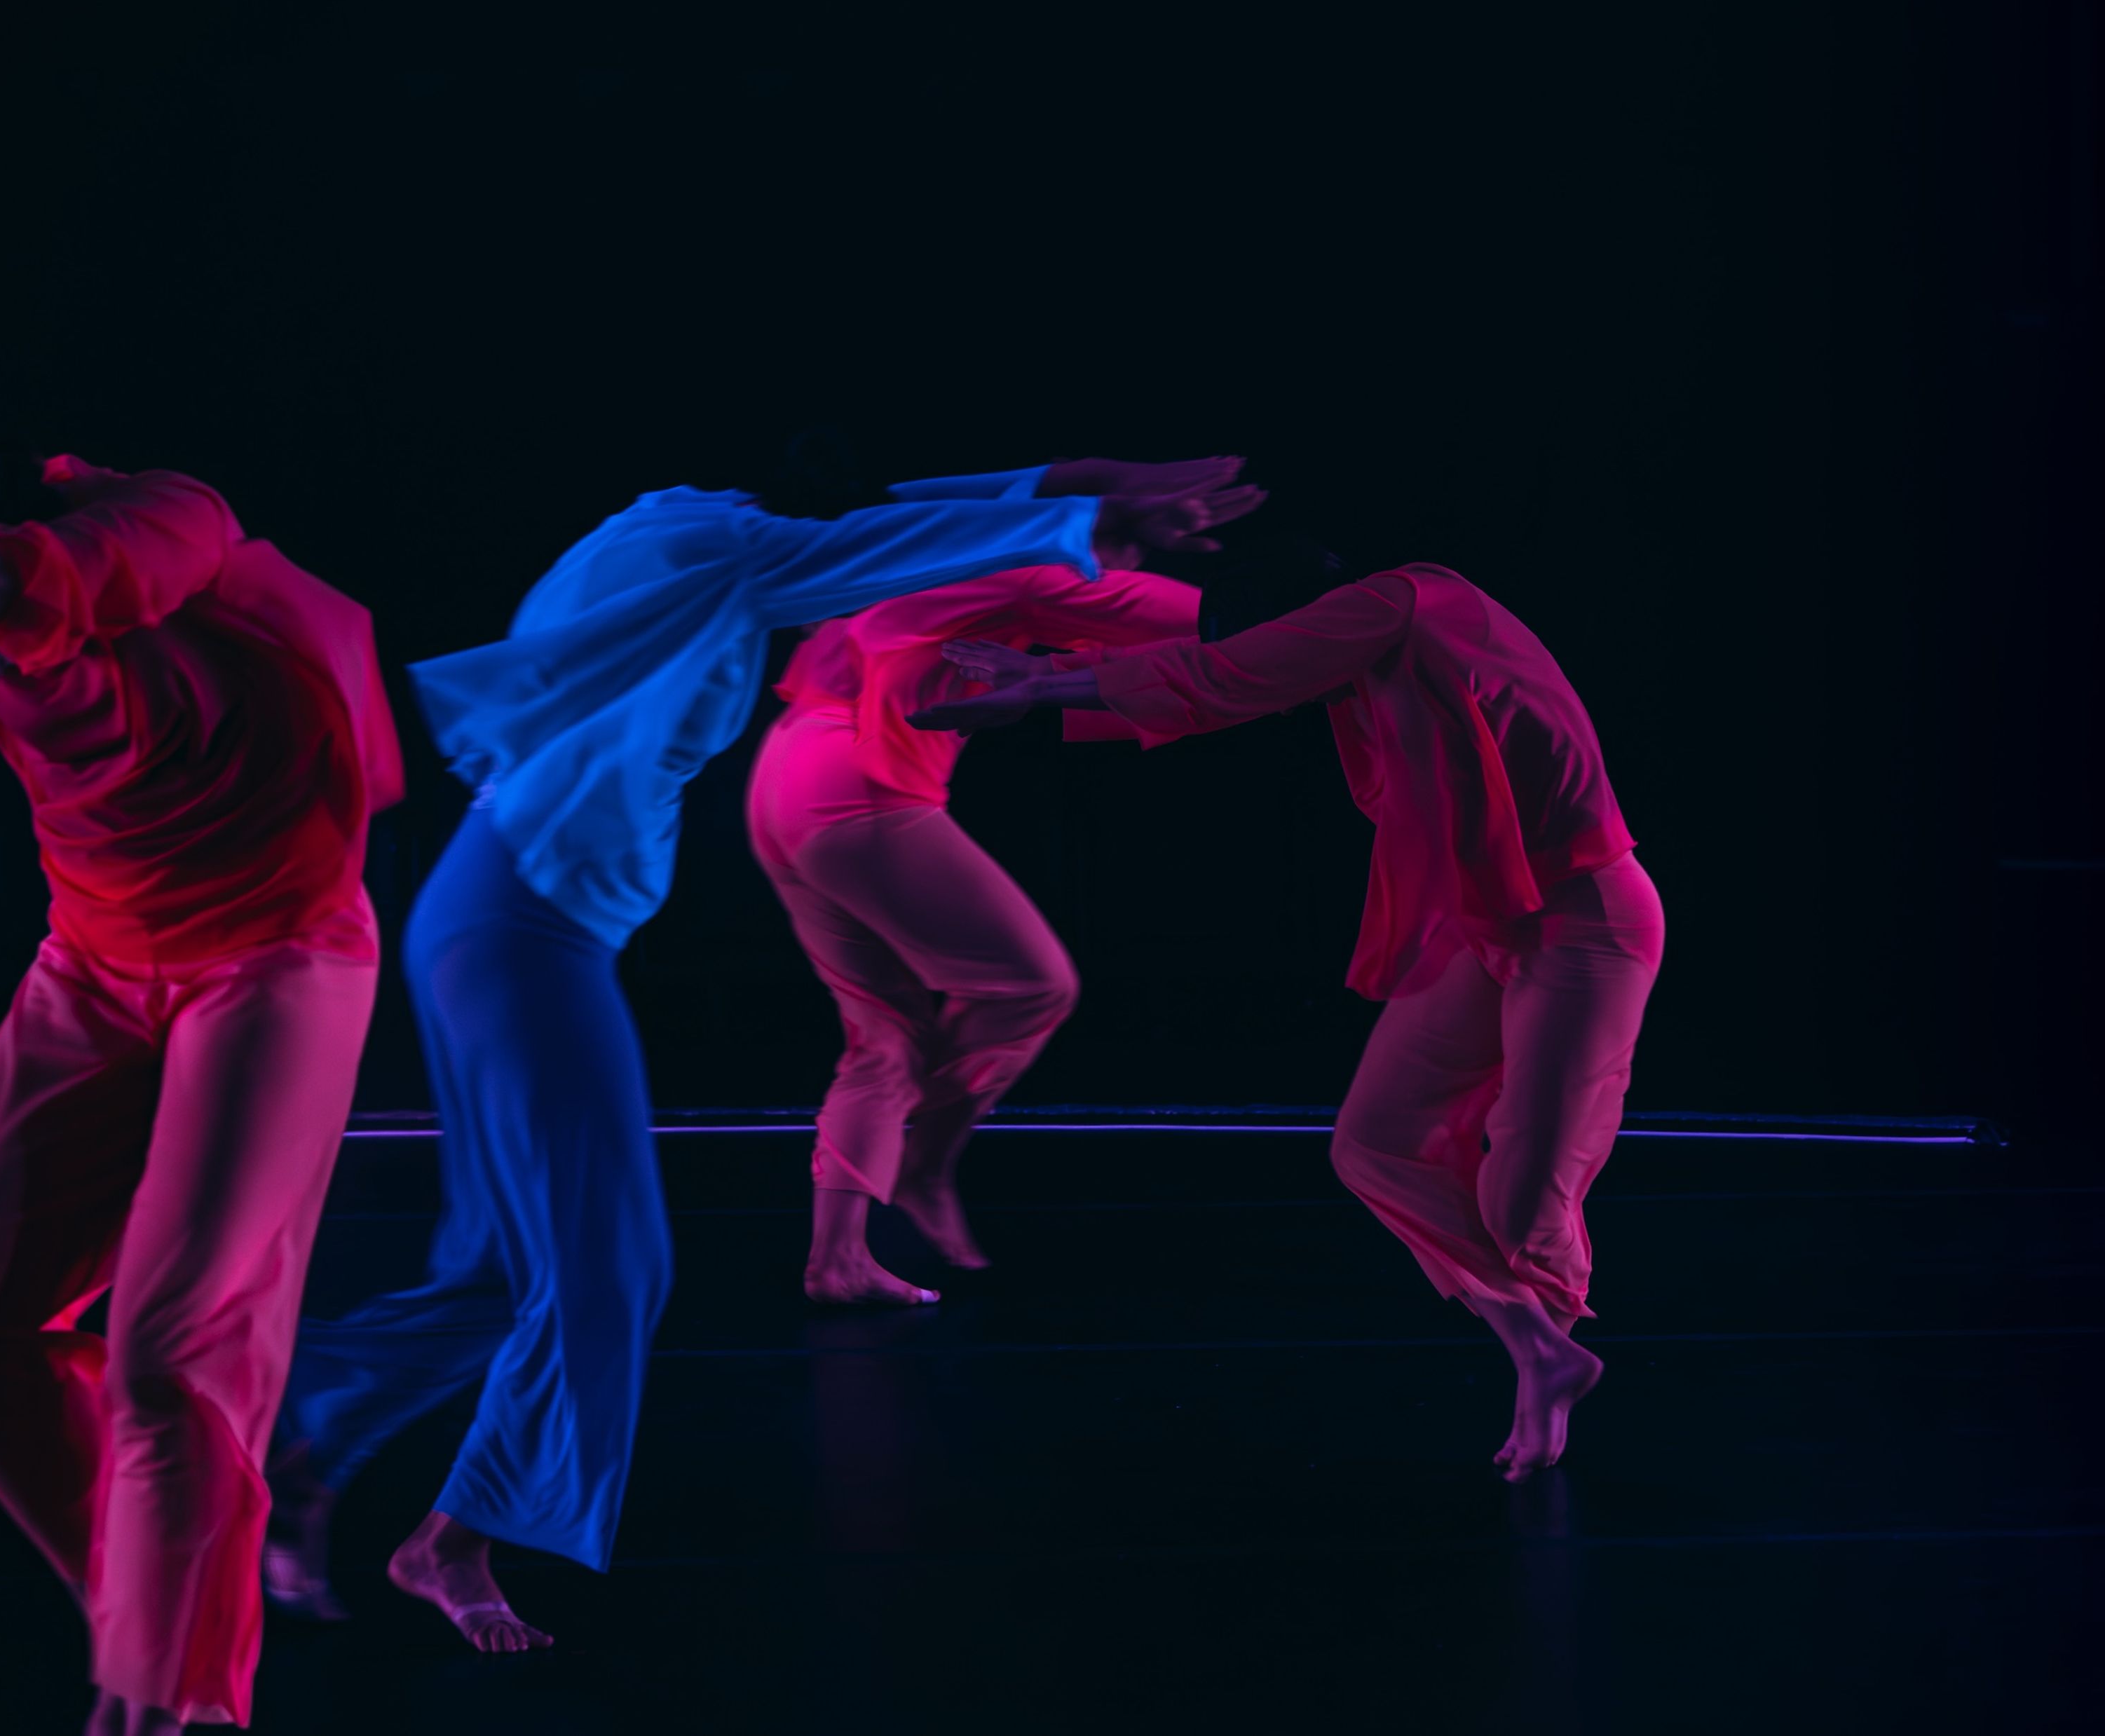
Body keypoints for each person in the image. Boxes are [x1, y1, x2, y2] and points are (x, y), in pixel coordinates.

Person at [266, 454, 1259, 1651]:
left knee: (499, 1261)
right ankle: (448, 1538)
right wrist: (1086, 516)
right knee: (609, 1264)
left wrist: (1067, 483)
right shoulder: (715, 546)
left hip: (501, 914)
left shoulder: (659, 535)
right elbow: (868, 544)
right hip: (524, 929)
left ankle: (304, 1442)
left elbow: (883, 520)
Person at [913, 542, 1659, 1482]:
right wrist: (1054, 681)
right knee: (1374, 1142)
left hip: (1587, 920)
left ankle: (1545, 1365)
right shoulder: (1384, 660)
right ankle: (1542, 1353)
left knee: (1524, 1195)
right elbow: (1238, 685)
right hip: (1487, 925)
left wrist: (1042, 685)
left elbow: (1231, 677)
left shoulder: (1409, 600)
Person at [0, 447, 404, 1734]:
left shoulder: (163, 527)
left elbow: (7, 575)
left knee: (172, 1355)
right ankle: (152, 1602)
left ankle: (171, 1698)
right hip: (94, 964)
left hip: (277, 961)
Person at [751, 561, 1201, 1305]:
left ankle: (838, 1259)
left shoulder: (939, 563)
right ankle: (924, 1158)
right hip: (855, 788)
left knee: (885, 1035)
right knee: (1032, 984)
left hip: (785, 777)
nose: (1193, 537)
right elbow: (1216, 624)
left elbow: (1112, 669)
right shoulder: (1036, 572)